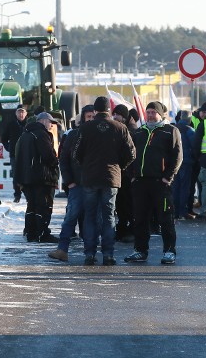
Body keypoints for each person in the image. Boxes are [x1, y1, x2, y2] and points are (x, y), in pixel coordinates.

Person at [74, 96, 135, 266]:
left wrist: (86, 165)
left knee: (90, 217)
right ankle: (108, 254)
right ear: (109, 109)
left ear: (94, 110)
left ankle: (90, 254)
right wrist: (119, 166)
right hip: (111, 177)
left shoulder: (86, 128)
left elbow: (76, 153)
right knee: (109, 217)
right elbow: (131, 153)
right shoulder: (120, 127)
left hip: (90, 177)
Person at [125, 101, 182, 265]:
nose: (150, 115)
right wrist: (132, 176)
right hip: (140, 183)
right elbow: (130, 156)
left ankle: (169, 251)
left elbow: (177, 156)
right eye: (148, 112)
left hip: (161, 183)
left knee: (166, 218)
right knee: (140, 218)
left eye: (153, 112)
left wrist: (168, 177)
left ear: (160, 114)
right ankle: (140, 250)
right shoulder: (139, 132)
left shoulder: (170, 131)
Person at [48, 104, 96, 262]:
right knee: (71, 217)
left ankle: (90, 252)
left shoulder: (102, 135)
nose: (91, 120)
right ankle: (62, 249)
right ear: (83, 118)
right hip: (77, 184)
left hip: (95, 185)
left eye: (94, 117)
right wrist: (69, 182)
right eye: (88, 117)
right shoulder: (73, 135)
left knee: (92, 219)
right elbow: (64, 159)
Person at [13, 111, 59, 243]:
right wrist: (56, 162)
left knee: (31, 205)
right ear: (44, 121)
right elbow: (48, 156)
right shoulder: (41, 134)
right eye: (50, 122)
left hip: (26, 177)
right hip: (41, 176)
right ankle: (42, 233)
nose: (51, 126)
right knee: (43, 205)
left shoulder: (25, 134)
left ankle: (31, 232)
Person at [112, 104, 138, 241]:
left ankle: (128, 230)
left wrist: (123, 166)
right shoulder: (123, 128)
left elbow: (131, 154)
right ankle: (124, 228)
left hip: (126, 174)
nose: (115, 117)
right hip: (122, 173)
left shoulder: (130, 130)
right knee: (122, 204)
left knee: (126, 204)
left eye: (117, 114)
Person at [2, 105, 28, 203]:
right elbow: (4, 138)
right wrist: (8, 147)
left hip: (27, 154)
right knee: (16, 175)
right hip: (14, 154)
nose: (21, 114)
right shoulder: (11, 124)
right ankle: (17, 195)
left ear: (26, 114)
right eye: (19, 112)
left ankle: (27, 194)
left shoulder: (29, 124)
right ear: (16, 113)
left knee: (27, 174)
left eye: (23, 112)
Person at [173, 110, 196, 220]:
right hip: (186, 162)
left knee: (175, 187)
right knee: (184, 187)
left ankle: (175, 211)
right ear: (189, 119)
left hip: (174, 162)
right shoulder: (190, 130)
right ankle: (183, 211)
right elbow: (195, 146)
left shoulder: (173, 128)